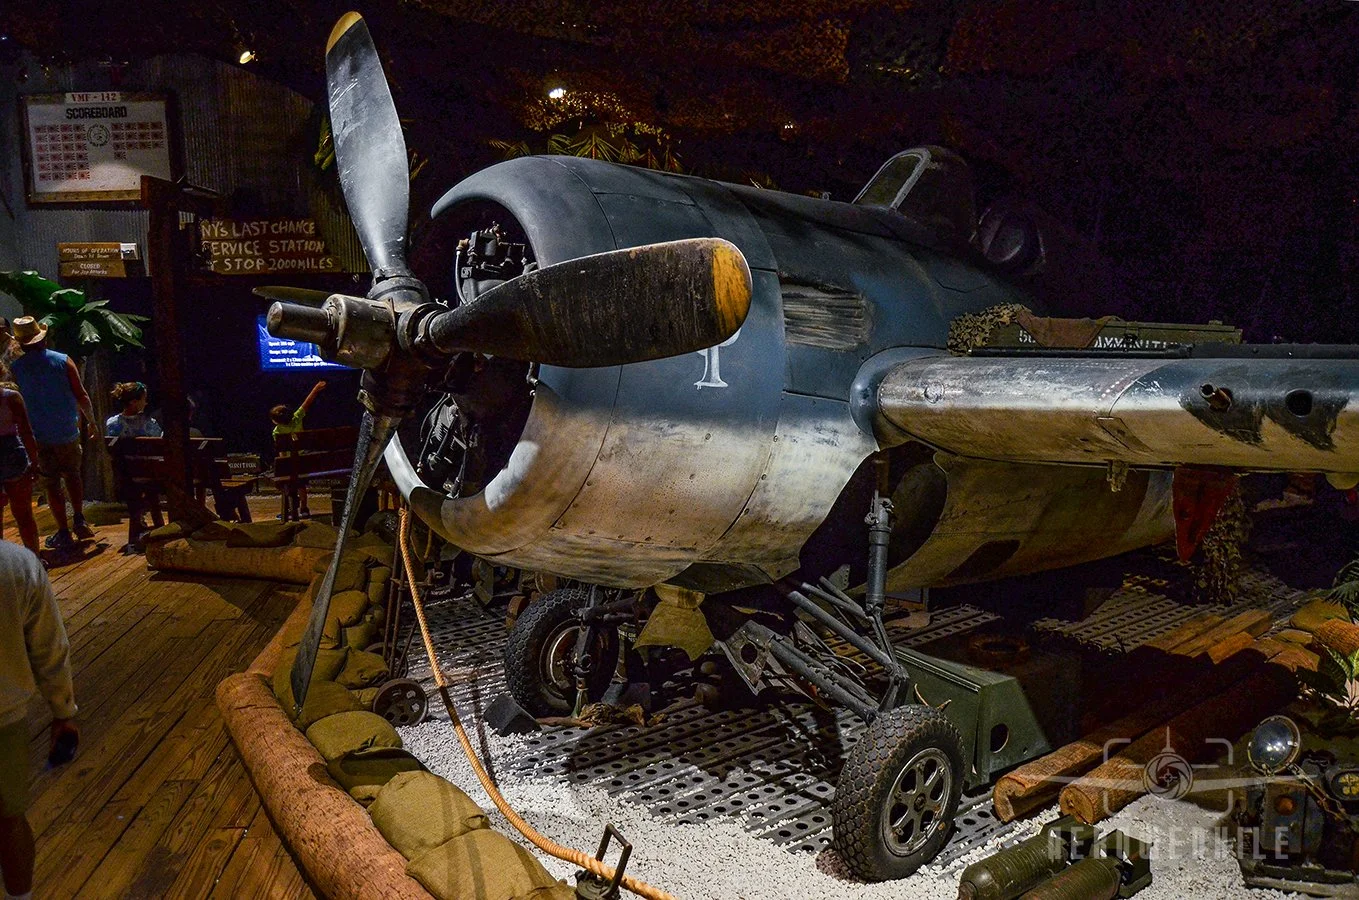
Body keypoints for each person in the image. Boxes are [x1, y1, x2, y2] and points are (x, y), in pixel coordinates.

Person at [0, 541, 78, 900]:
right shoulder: (16, 564)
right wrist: (63, 711)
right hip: (4, 718)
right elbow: (50, 646)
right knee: (9, 819)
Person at [7, 318, 96, 550]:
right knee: (73, 475)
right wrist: (92, 422)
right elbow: (81, 395)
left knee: (51, 483)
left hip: (38, 436)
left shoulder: (16, 369)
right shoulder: (63, 361)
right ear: (43, 339)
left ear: (22, 344)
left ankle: (63, 531)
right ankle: (79, 518)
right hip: (66, 431)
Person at [271, 379, 326, 519]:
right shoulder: (297, 419)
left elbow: (282, 453)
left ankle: (289, 508)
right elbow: (307, 403)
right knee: (301, 484)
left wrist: (284, 464)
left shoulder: (277, 432)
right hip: (303, 462)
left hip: (288, 464)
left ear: (276, 421)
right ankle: (304, 508)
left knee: (286, 482)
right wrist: (315, 388)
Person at [0, 368, 40, 556]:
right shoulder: (11, 397)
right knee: (24, 515)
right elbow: (26, 431)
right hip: (12, 454)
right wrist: (34, 461)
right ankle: (34, 559)